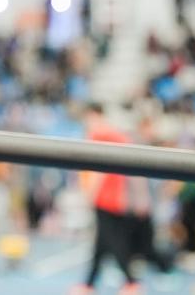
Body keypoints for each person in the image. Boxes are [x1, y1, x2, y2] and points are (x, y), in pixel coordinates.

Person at [72, 105, 141, 295]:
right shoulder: (116, 135)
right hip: (114, 198)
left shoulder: (100, 134)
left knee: (112, 242)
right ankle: (89, 284)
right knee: (102, 244)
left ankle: (131, 282)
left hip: (105, 198)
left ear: (95, 115)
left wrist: (90, 195)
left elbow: (97, 172)